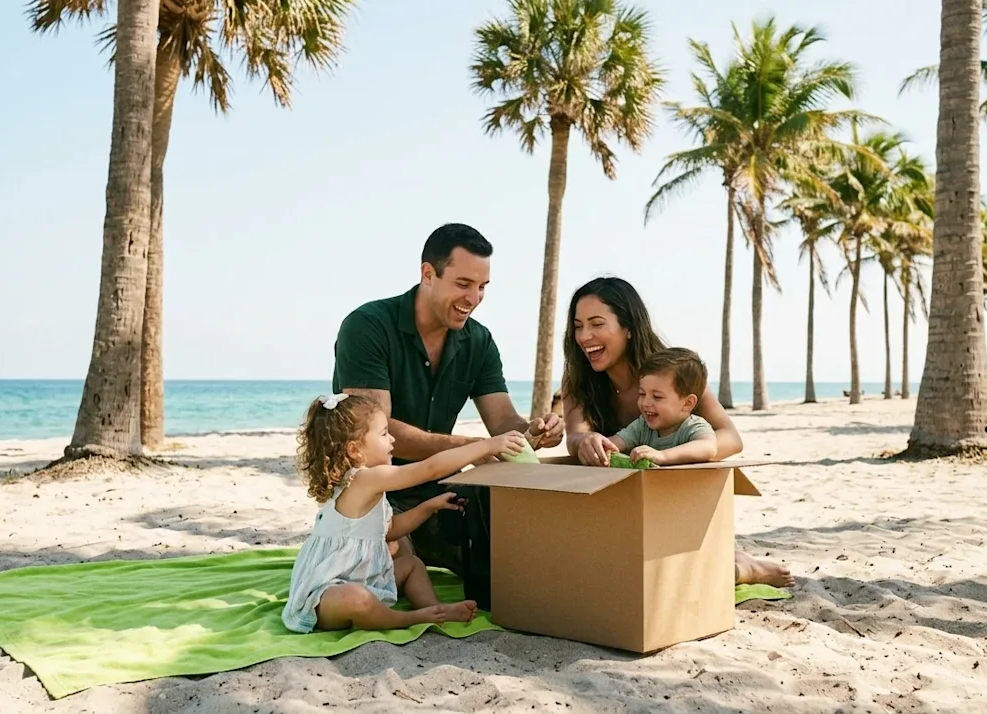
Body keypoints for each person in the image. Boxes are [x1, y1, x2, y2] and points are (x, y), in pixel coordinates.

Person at [329, 222, 565, 577]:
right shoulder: (367, 327)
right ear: (428, 274)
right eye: (463, 284)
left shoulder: (479, 341)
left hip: (442, 488)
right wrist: (474, 447)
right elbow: (373, 433)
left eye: (482, 287)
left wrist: (534, 430)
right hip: (376, 491)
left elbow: (503, 421)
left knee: (511, 564)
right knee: (387, 569)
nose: (474, 299)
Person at [561, 276, 795, 588]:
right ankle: (737, 562)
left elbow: (729, 437)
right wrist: (586, 441)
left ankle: (743, 566)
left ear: (628, 327)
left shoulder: (673, 372)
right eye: (578, 326)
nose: (585, 336)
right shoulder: (578, 380)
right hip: (619, 505)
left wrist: (670, 456)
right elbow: (575, 436)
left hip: (675, 500)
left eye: (596, 323)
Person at [282, 391, 530, 633]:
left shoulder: (365, 487)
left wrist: (428, 507)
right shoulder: (364, 479)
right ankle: (407, 618)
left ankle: (436, 609)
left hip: (364, 577)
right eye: (383, 434)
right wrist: (486, 445)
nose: (392, 440)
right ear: (355, 451)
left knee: (411, 564)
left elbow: (389, 531)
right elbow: (430, 468)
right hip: (327, 594)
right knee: (356, 598)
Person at [606, 347, 719, 466]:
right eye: (642, 394)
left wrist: (663, 455)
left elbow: (708, 446)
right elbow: (615, 443)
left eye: (657, 397)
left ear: (687, 403)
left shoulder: (693, 427)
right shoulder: (642, 427)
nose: (645, 403)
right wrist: (604, 446)